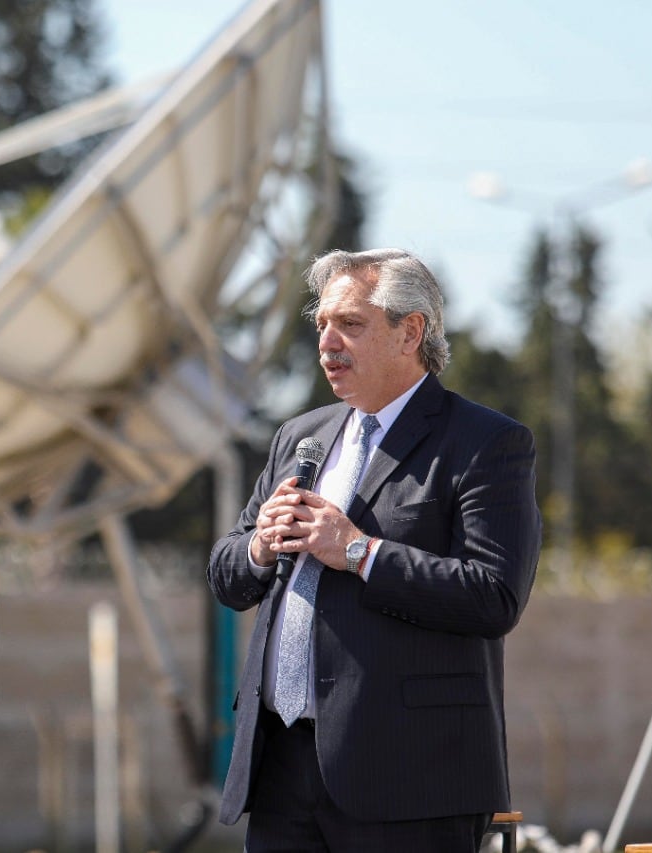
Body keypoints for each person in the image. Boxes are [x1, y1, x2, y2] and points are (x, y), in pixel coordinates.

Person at [208, 249, 540, 852]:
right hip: (282, 768)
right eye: (322, 326)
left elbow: (494, 597)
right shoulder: (299, 437)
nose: (328, 342)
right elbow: (228, 576)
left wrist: (360, 552)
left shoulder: (484, 443)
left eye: (351, 324)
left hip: (410, 777)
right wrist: (259, 545)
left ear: (411, 331)